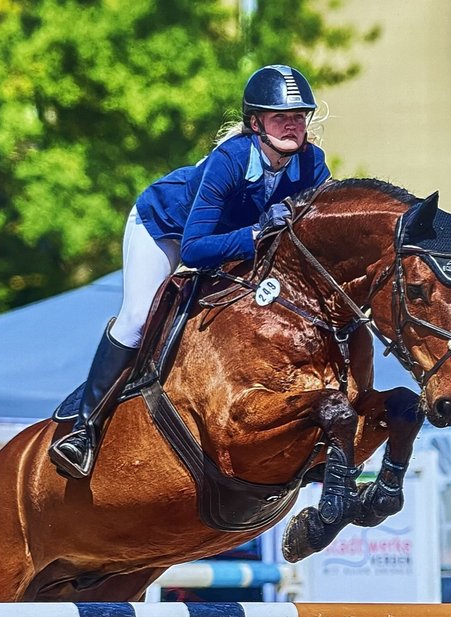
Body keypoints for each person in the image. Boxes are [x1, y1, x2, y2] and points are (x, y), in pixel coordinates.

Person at [49, 64, 331, 479]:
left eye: (298, 117)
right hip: (166, 229)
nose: (292, 126)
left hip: (232, 240)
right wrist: (256, 235)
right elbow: (196, 249)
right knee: (139, 317)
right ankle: (84, 429)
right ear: (255, 123)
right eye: (279, 117)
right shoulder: (230, 161)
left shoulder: (312, 164)